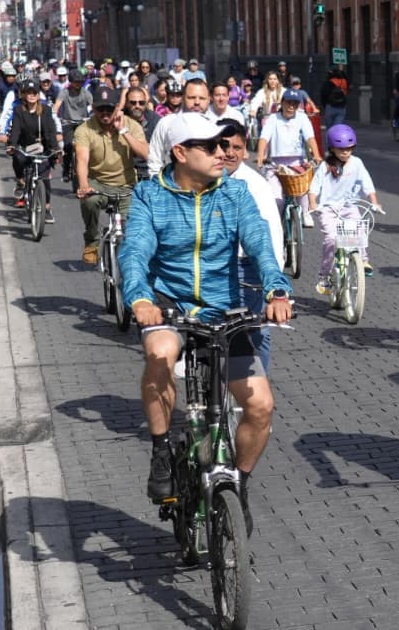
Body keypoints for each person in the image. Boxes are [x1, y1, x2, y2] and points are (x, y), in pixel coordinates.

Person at [119, 114, 292, 522]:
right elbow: (135, 250)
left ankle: (238, 484)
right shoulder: (149, 195)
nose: (222, 153)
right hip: (168, 302)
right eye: (211, 146)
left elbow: (259, 243)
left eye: (225, 145)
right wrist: (140, 298)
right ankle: (162, 451)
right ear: (180, 153)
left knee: (260, 406)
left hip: (223, 307)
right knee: (160, 353)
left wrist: (276, 289)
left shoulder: (235, 192)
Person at [217, 111, 284, 372]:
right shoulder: (197, 178)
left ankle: (258, 389)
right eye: (224, 145)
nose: (230, 153)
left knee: (256, 333)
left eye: (237, 147)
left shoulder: (255, 185)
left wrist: (275, 288)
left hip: (247, 268)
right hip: (210, 268)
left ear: (245, 151)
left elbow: (272, 237)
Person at [74, 86, 149, 265]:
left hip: (126, 185)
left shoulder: (131, 125)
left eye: (109, 108)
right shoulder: (84, 129)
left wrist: (123, 131)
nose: (105, 113)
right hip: (98, 183)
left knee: (134, 228)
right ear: (94, 108)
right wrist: (84, 185)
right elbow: (82, 160)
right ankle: (92, 241)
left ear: (117, 107)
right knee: (89, 202)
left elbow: (146, 153)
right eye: (101, 109)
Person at [311, 124, 381, 292]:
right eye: (341, 149)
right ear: (332, 148)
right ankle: (324, 276)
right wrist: (313, 203)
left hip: (349, 206)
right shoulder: (325, 166)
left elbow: (367, 184)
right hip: (328, 208)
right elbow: (314, 187)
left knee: (359, 228)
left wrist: (374, 202)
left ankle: (362, 260)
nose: (345, 152)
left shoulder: (357, 163)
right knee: (331, 239)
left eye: (349, 148)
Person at [256, 89, 321, 226]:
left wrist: (316, 155)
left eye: (295, 104)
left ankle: (305, 213)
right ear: (282, 103)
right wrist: (261, 155)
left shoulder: (302, 117)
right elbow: (264, 138)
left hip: (297, 162)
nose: (291, 106)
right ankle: (277, 226)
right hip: (276, 165)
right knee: (277, 200)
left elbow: (310, 137)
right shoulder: (273, 118)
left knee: (302, 190)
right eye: (288, 103)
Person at [5, 78, 64, 218]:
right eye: (28, 93)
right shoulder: (18, 110)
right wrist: (12, 145)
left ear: (38, 95)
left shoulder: (46, 110)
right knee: (18, 158)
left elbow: (51, 130)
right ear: (23, 95)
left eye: (34, 93)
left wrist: (56, 148)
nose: (31, 95)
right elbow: (16, 130)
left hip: (42, 148)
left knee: (44, 177)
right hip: (25, 147)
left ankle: (46, 207)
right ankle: (20, 181)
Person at [145, 78, 214, 175]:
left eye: (202, 98)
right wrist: (158, 182)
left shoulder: (215, 127)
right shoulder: (166, 123)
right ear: (183, 98)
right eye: (192, 97)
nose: (197, 102)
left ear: (209, 100)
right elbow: (155, 159)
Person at [319, 66, 350, 142]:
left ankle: (331, 144)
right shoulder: (344, 81)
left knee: (330, 128)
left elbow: (323, 95)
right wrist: (342, 72)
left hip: (330, 107)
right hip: (342, 107)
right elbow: (348, 83)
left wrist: (325, 106)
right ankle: (337, 143)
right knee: (338, 128)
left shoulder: (328, 82)